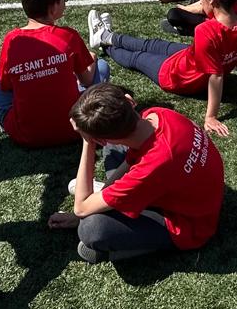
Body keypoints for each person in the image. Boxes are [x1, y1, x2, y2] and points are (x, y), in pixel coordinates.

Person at [90, 0, 237, 136]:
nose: (199, 0)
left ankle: (104, 44)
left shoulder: (207, 31)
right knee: (152, 44)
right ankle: (108, 35)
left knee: (136, 58)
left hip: (177, 76)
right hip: (188, 58)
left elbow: (216, 77)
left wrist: (211, 117)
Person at [51, 84, 224, 264]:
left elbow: (80, 208)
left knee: (91, 228)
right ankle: (106, 196)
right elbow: (131, 161)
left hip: (191, 226)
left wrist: (88, 142)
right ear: (130, 100)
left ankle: (134, 246)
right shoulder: (157, 114)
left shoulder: (151, 167)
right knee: (116, 147)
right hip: (188, 190)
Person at [0, 0, 106, 144]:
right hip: (74, 127)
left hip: (26, 135)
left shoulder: (11, 39)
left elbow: (6, 85)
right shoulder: (68, 36)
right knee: (102, 66)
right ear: (52, 8)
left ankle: (13, 118)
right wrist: (91, 59)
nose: (65, 2)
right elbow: (87, 79)